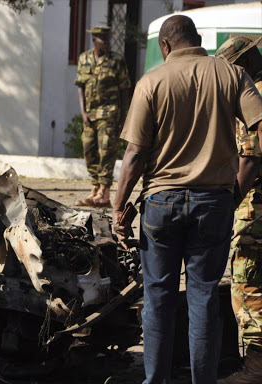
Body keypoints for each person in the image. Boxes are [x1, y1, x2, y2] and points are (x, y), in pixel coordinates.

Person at [112, 15, 262, 384]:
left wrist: (118, 207)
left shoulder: (151, 81)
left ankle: (155, 380)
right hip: (214, 203)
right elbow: (259, 132)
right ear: (198, 40)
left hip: (161, 203)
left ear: (165, 46)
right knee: (203, 297)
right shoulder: (231, 75)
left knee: (159, 297)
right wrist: (234, 193)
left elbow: (134, 154)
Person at [215, 36, 262, 384]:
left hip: (255, 211)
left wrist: (230, 204)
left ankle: (256, 369)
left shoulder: (253, 94)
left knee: (247, 285)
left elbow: (249, 159)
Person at [74, 25, 130, 207]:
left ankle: (104, 193)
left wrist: (124, 118)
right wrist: (83, 112)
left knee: (107, 151)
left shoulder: (116, 61)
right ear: (94, 40)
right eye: (102, 39)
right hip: (89, 114)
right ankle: (95, 187)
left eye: (107, 38)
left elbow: (124, 90)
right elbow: (80, 87)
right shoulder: (84, 59)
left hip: (109, 113)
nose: (106, 42)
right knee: (89, 150)